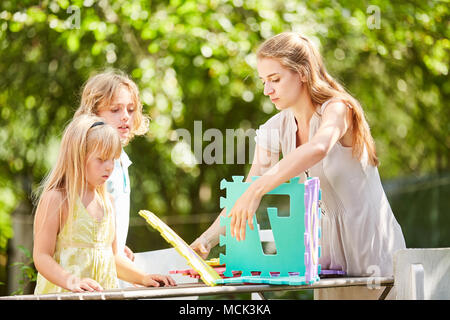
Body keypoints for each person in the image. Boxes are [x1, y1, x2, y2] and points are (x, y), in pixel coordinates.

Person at [191, 32, 406, 299]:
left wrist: (258, 190)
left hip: (373, 252)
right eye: (263, 81)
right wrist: (205, 241)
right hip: (328, 263)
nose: (267, 90)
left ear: (303, 72)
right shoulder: (274, 129)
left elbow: (318, 147)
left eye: (275, 80)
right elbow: (245, 191)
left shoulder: (338, 109)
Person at [33, 115, 175, 294]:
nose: (109, 167)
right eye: (101, 159)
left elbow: (114, 258)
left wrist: (143, 277)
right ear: (77, 157)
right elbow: (41, 256)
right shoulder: (57, 199)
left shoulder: (108, 203)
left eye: (113, 159)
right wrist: (72, 281)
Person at [74, 69, 149, 262]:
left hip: (112, 263)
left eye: (131, 110)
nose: (125, 116)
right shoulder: (91, 163)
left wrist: (119, 244)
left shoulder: (121, 160)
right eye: (115, 110)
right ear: (94, 114)